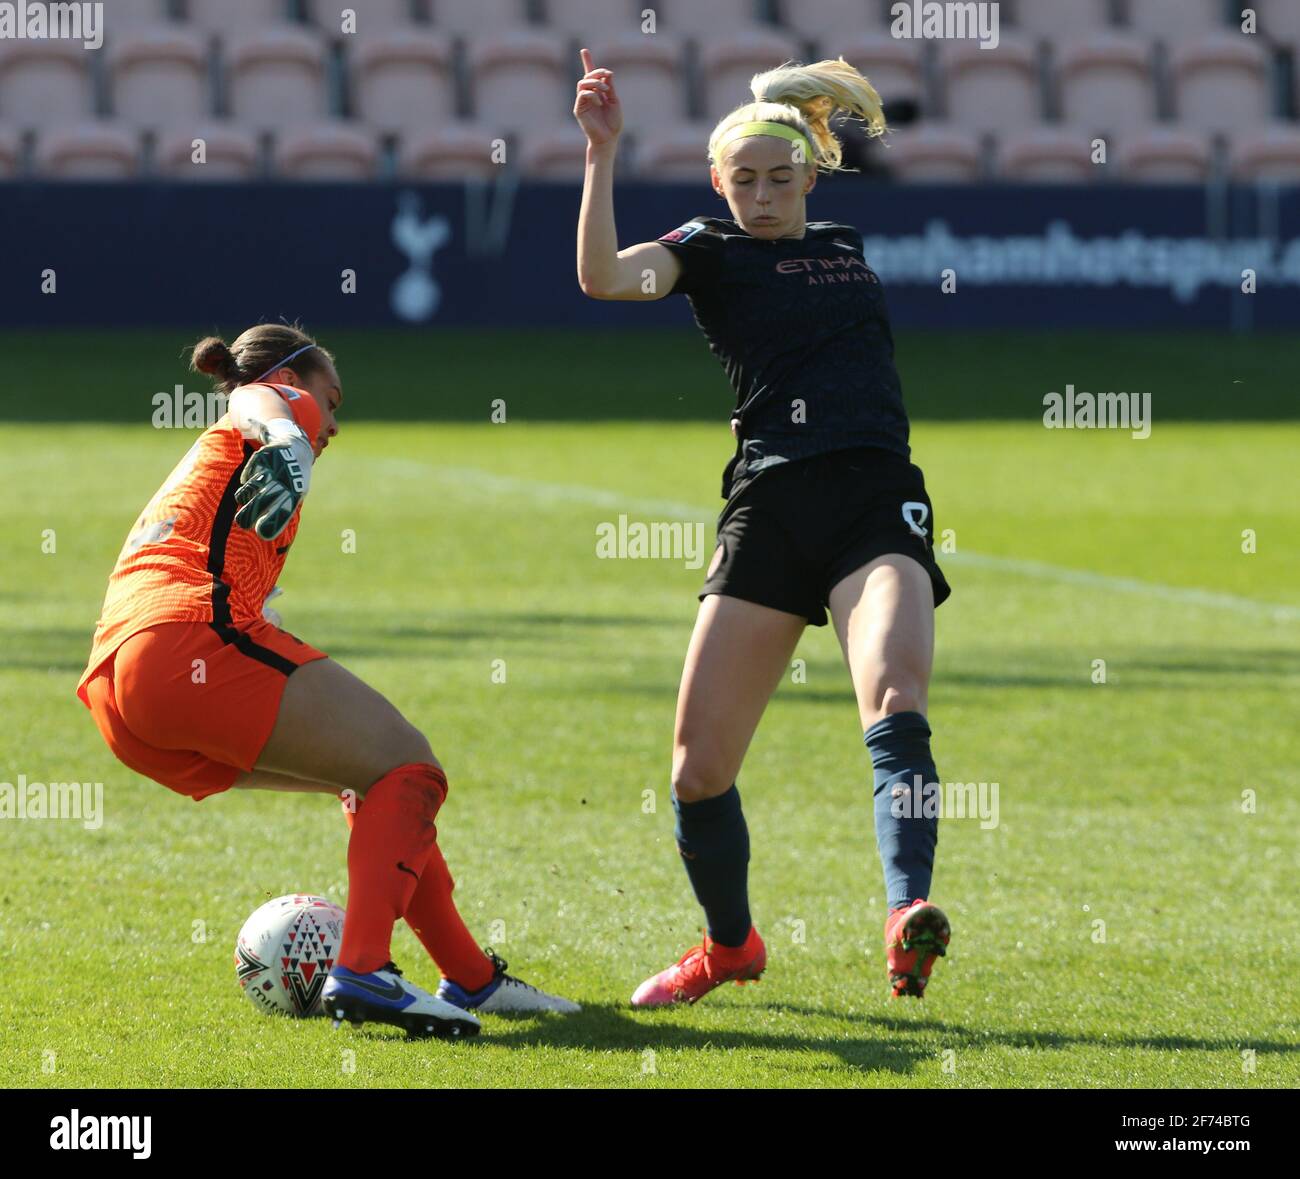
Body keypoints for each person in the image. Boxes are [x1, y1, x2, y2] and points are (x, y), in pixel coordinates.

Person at [574, 50, 953, 1003]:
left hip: (874, 496)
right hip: (771, 507)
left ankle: (908, 910)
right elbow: (604, 281)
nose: (762, 194)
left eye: (780, 178)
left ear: (810, 177)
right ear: (717, 182)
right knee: (698, 772)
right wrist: (601, 154)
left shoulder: (846, 247)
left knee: (896, 697)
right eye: (743, 179)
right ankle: (730, 945)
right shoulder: (707, 248)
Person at [75, 323, 579, 1037]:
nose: (333, 421)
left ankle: (471, 979)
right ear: (299, 379)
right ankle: (365, 968)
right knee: (410, 766)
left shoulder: (219, 466)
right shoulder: (278, 409)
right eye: (332, 398)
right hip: (181, 640)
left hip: (119, 693)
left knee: (373, 778)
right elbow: (262, 401)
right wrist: (287, 435)